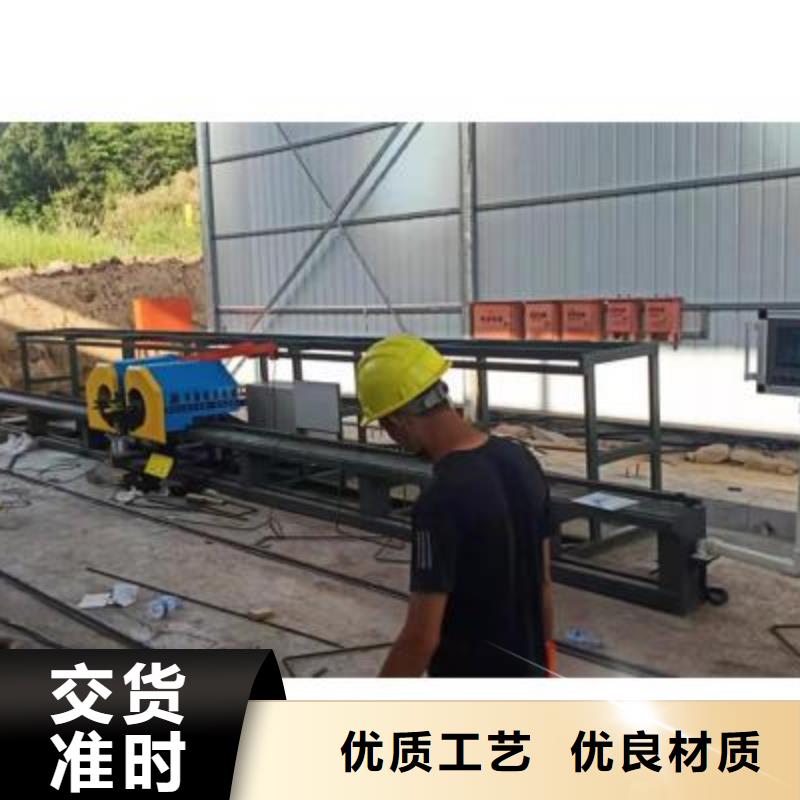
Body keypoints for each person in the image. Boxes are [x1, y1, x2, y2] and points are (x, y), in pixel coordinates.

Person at [356, 333, 556, 678]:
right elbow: (544, 583)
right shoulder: (522, 459)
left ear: (397, 421)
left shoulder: (439, 502)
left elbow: (420, 640)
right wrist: (545, 659)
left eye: (386, 425)